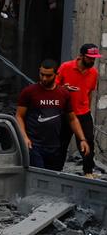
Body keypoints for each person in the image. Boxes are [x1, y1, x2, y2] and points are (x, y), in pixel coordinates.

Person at [15, 59, 90, 171]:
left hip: (55, 146)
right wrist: (24, 138)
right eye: (42, 74)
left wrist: (82, 140)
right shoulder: (29, 92)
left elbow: (72, 119)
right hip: (34, 145)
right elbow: (19, 116)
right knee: (39, 176)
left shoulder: (63, 94)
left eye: (48, 75)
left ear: (56, 74)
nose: (44, 78)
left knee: (54, 177)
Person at [58, 44, 101, 177]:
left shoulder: (93, 72)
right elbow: (53, 87)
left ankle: (88, 171)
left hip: (83, 113)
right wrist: (63, 89)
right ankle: (55, 170)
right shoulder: (66, 67)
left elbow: (90, 92)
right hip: (65, 113)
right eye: (89, 58)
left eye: (94, 58)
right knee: (61, 143)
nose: (92, 61)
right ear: (81, 56)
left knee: (88, 142)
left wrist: (87, 107)